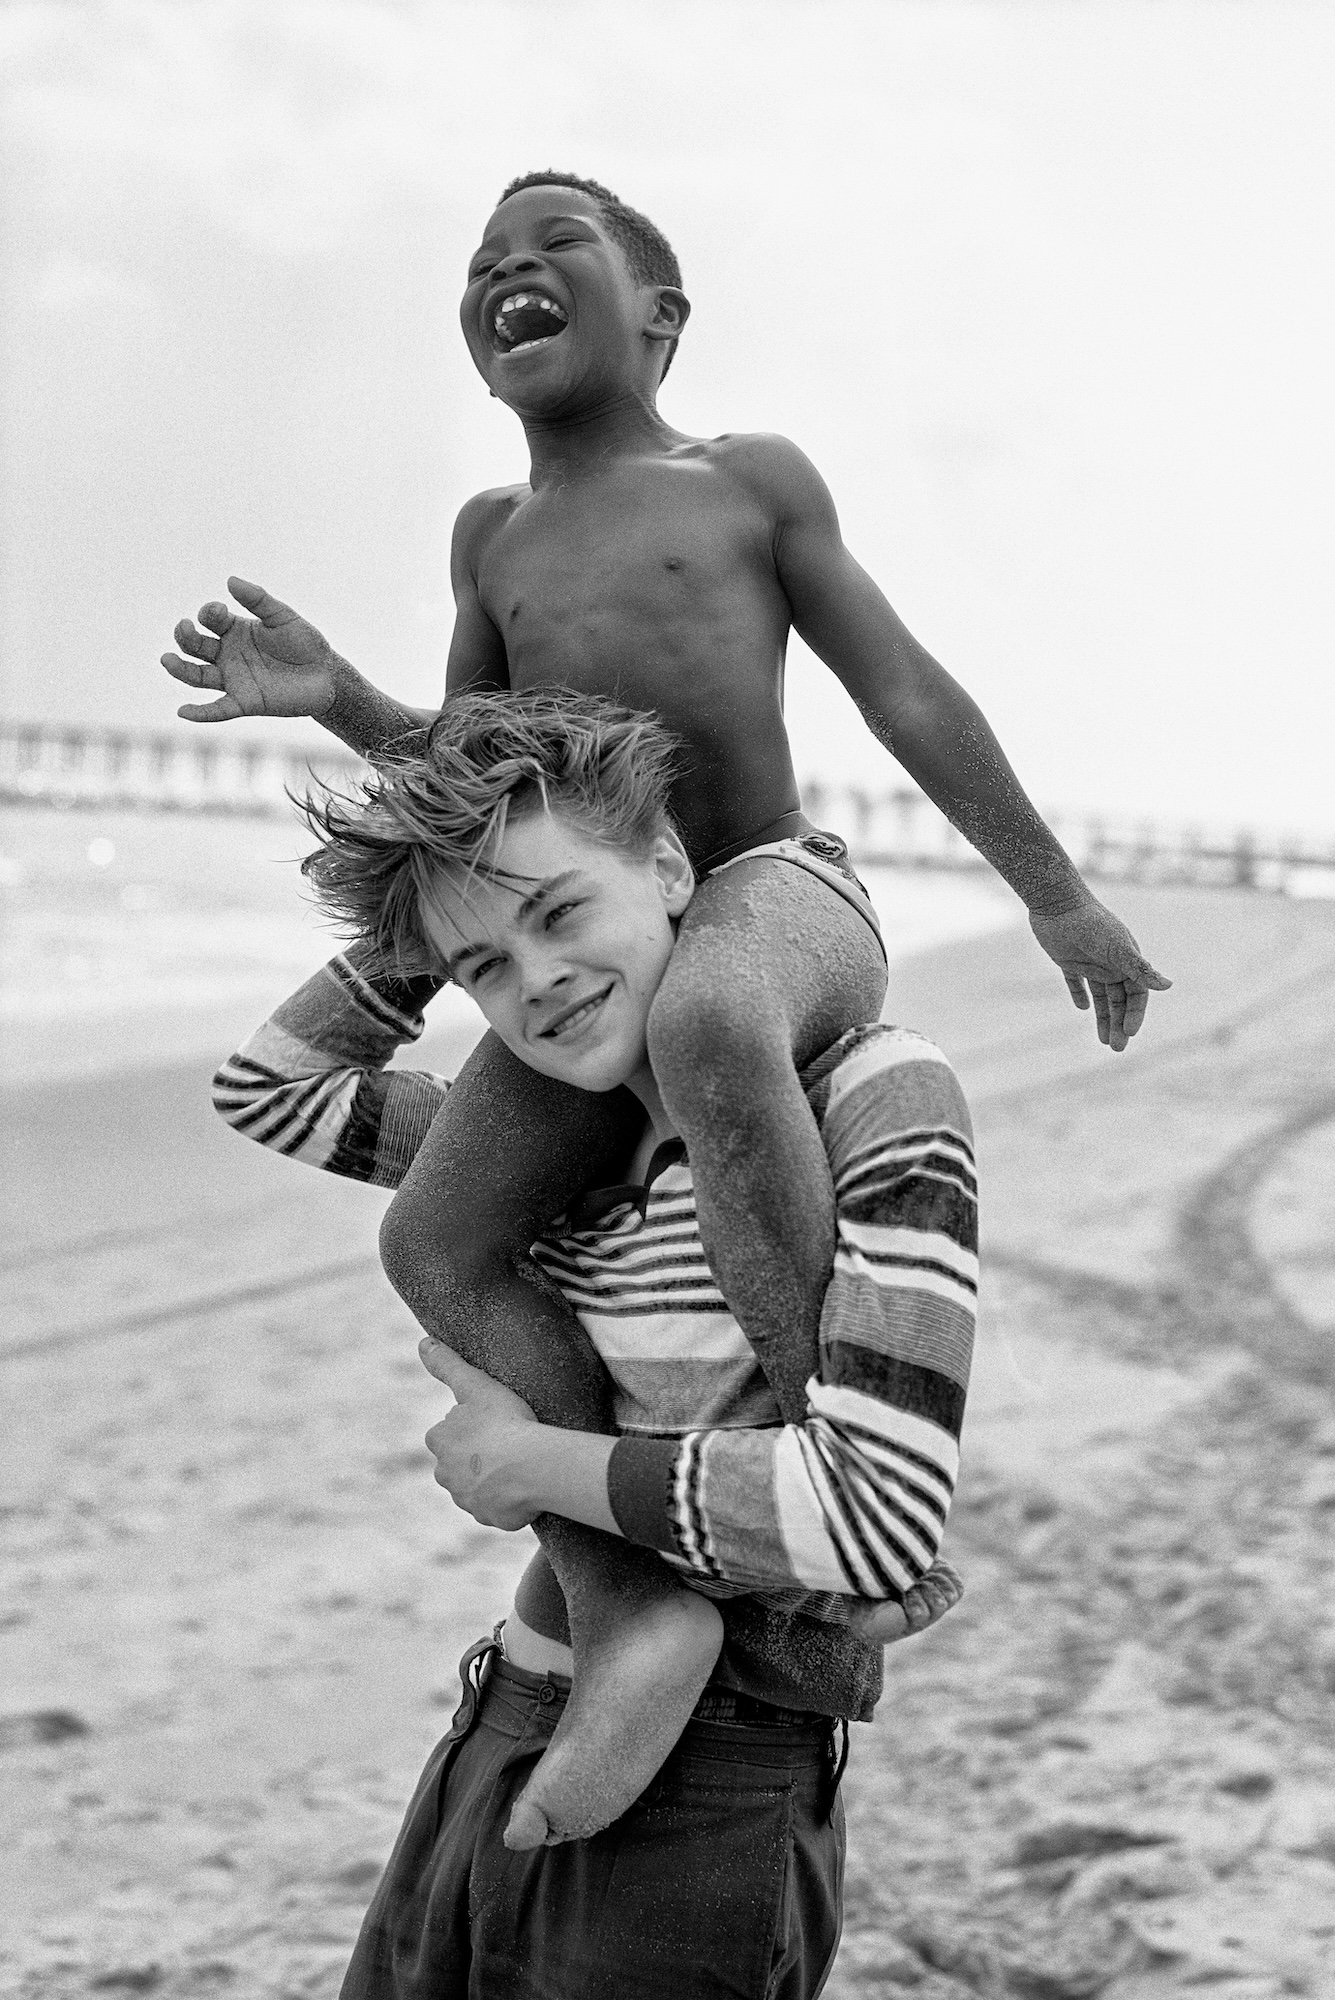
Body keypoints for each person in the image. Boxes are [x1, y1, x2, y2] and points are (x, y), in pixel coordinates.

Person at [166, 167, 1164, 1833]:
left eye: (552, 246)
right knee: (434, 1242)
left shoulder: (750, 481)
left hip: (772, 895)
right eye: (479, 265)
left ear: (664, 316)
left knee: (709, 1022)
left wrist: (1053, 888)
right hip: (596, 954)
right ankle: (630, 1600)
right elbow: (479, 785)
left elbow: (901, 683)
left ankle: (820, 1466)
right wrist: (340, 700)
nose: (504, 272)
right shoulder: (490, 534)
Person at [214, 691, 977, 1996]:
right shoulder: (534, 1149)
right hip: (513, 1703)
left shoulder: (873, 1094)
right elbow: (270, 1088)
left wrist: (529, 1467)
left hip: (720, 1763)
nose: (541, 983)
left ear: (675, 868)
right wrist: (440, 903)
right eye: (485, 971)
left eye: (565, 913)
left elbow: (878, 1523)